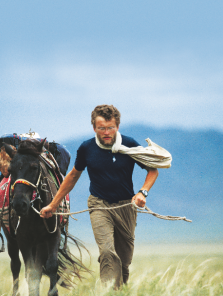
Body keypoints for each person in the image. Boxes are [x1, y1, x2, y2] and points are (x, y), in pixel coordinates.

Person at [40, 104, 158, 288]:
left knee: (124, 259)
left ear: (117, 126)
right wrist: (53, 205)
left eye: (110, 127)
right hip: (99, 205)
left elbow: (153, 170)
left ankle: (120, 290)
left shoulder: (130, 144)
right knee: (108, 252)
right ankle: (108, 291)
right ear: (94, 128)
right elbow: (72, 176)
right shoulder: (87, 148)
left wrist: (143, 192)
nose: (106, 132)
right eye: (101, 128)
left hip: (127, 206)